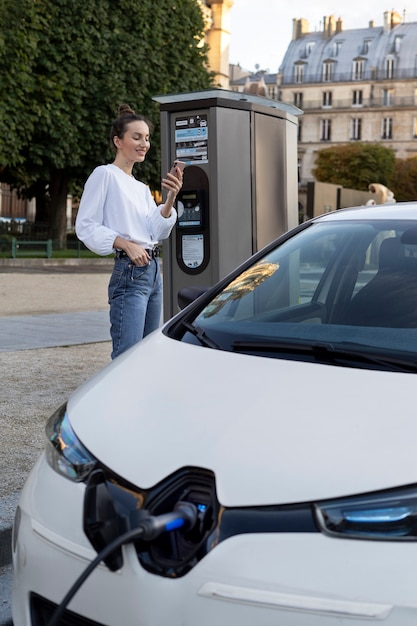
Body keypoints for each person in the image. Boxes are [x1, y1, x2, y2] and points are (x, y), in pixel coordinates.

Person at [75, 104, 183, 359]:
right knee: (127, 355)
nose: (144, 143)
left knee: (146, 354)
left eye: (146, 138)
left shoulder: (141, 188)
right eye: (136, 137)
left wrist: (170, 198)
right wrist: (124, 243)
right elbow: (86, 225)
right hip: (130, 272)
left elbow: (156, 231)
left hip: (153, 270)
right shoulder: (104, 175)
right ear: (118, 140)